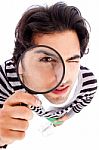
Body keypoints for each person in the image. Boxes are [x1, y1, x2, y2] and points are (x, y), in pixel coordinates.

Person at [0, 2, 97, 148]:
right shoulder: (7, 77)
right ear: (22, 62)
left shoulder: (89, 85)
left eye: (72, 59)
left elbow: (82, 103)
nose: (62, 79)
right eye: (47, 59)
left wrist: (66, 117)